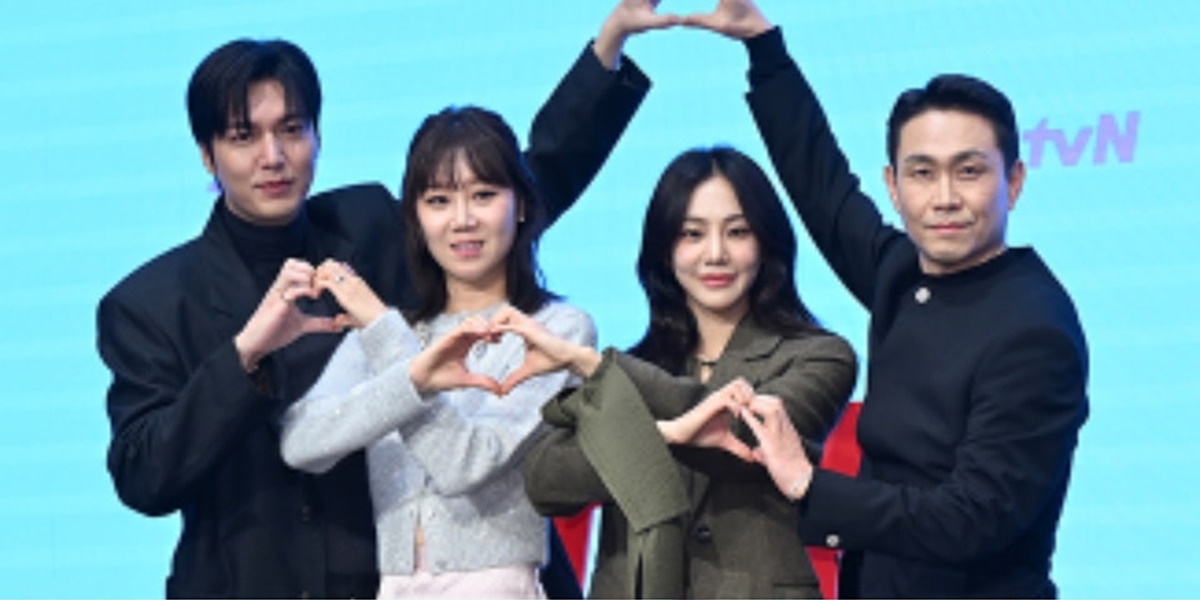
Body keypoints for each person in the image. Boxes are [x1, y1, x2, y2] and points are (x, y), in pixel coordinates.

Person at [96, 11, 655, 597]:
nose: (273, 156)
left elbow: (508, 195)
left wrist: (607, 50)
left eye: (292, 129)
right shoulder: (150, 303)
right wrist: (243, 356)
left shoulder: (367, 226)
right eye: (243, 137)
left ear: (317, 135)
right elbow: (145, 478)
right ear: (208, 155)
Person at [680, 1, 1090, 597]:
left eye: (969, 171)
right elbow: (822, 187)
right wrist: (764, 50)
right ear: (894, 186)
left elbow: (971, 518)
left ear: (1015, 181)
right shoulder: (904, 270)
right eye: (922, 173)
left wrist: (807, 484)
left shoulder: (1035, 328)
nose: (944, 197)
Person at [499, 146, 857, 598]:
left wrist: (595, 368)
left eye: (738, 232)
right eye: (692, 234)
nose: (715, 254)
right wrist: (665, 434)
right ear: (665, 250)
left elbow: (743, 440)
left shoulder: (819, 355)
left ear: (766, 243)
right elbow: (547, 480)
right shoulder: (637, 365)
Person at [277, 105, 594, 598]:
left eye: (484, 195)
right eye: (439, 200)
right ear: (416, 218)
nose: (462, 220)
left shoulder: (556, 329)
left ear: (523, 203)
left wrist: (391, 346)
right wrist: (404, 363)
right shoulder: (394, 331)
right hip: (396, 585)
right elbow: (302, 443)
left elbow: (466, 462)